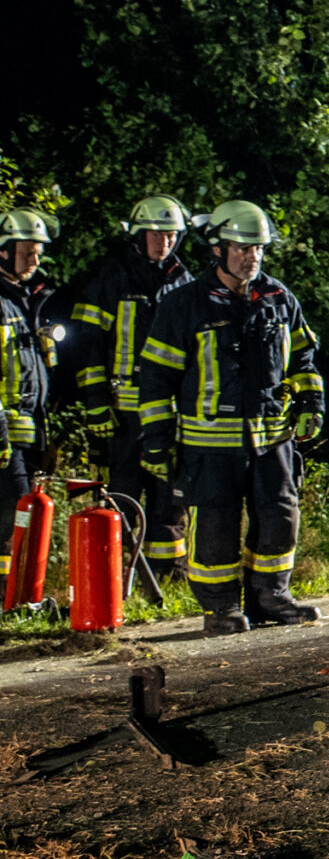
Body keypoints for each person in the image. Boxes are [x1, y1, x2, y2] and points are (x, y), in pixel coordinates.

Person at [135, 201, 325, 633]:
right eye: (242, 249)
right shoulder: (184, 305)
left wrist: (312, 403)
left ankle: (271, 598)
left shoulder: (278, 298)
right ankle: (220, 609)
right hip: (209, 444)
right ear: (217, 250)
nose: (251, 257)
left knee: (279, 515)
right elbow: (156, 380)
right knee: (216, 524)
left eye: (257, 248)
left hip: (272, 438)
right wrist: (158, 440)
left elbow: (305, 360)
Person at [64, 197, 196, 587]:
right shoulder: (112, 279)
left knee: (170, 499)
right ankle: (112, 583)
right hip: (121, 414)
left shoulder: (184, 282)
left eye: (171, 234)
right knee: (120, 497)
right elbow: (88, 345)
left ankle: (167, 580)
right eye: (157, 233)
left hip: (169, 414)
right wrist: (96, 402)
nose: (164, 242)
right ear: (138, 235)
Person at [0, 209, 57, 597]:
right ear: (3, 252)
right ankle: (9, 596)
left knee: (21, 513)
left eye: (39, 253)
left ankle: (16, 594)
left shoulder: (24, 300)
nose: (35, 261)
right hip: (6, 434)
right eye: (28, 253)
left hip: (29, 431)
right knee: (12, 517)